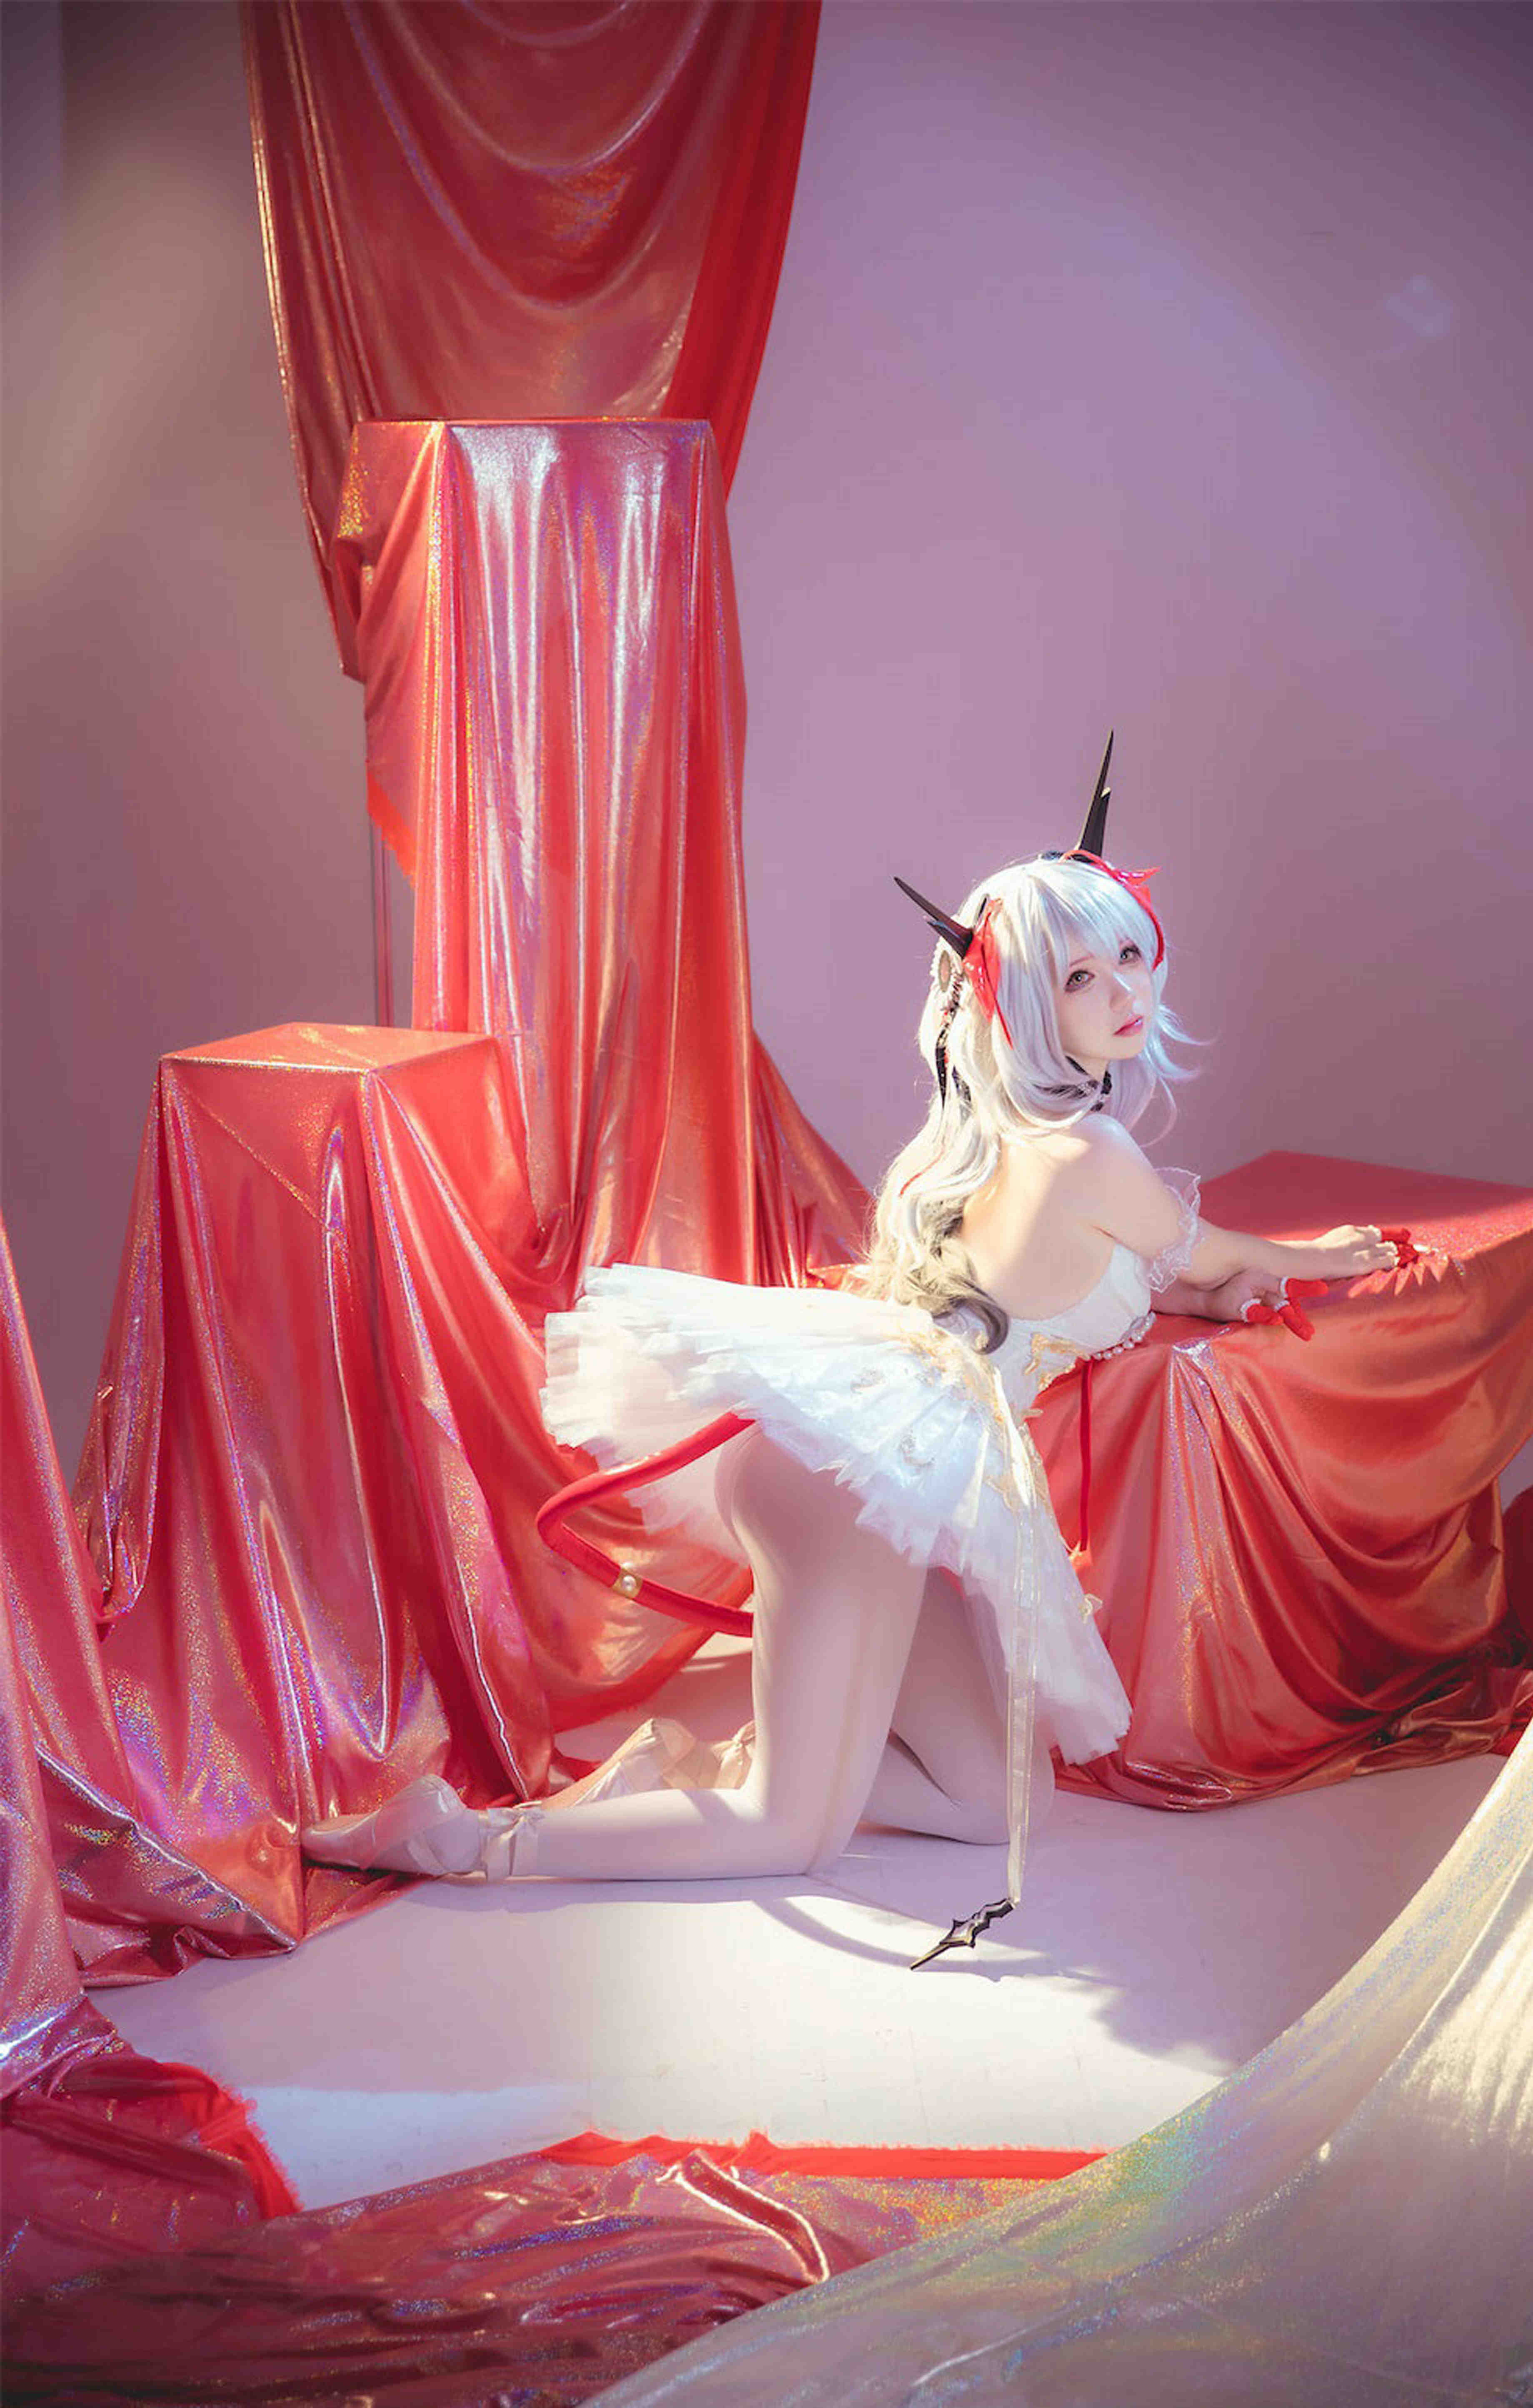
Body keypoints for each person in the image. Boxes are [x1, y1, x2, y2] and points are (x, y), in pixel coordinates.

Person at [304, 750, 1399, 1961]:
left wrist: (1227, 1287)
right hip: (853, 1475)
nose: (1122, 993)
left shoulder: (1020, 1139)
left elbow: (1163, 1274)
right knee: (791, 1835)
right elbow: (1211, 1250)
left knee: (995, 1803)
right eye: (1079, 978)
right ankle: (468, 1841)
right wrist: (1324, 1255)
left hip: (880, 1463)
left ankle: (729, 1763)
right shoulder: (1092, 1157)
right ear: (1023, 1009)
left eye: (1130, 957)